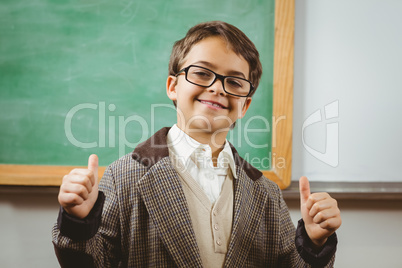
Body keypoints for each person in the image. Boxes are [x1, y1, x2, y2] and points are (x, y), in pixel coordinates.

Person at [52, 21, 342, 267]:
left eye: (235, 82)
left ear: (245, 106)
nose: (217, 87)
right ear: (173, 87)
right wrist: (79, 222)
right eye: (202, 73)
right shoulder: (123, 176)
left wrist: (314, 243)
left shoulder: (265, 193)